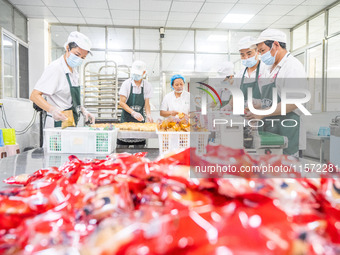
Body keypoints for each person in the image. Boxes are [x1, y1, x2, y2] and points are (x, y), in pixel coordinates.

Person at [246, 28, 307, 156]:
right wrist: (256, 105)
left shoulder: (292, 66)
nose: (261, 55)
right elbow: (270, 100)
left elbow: (294, 102)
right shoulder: (269, 69)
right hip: (271, 133)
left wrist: (263, 112)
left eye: (263, 51)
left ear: (276, 45)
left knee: (286, 171)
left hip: (288, 131)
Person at [30, 31, 95, 128]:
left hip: (69, 121)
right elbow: (34, 96)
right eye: (77, 54)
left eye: (83, 57)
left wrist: (83, 110)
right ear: (67, 48)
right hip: (57, 123)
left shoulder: (74, 71)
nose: (79, 59)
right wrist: (52, 110)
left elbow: (70, 99)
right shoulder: (56, 68)